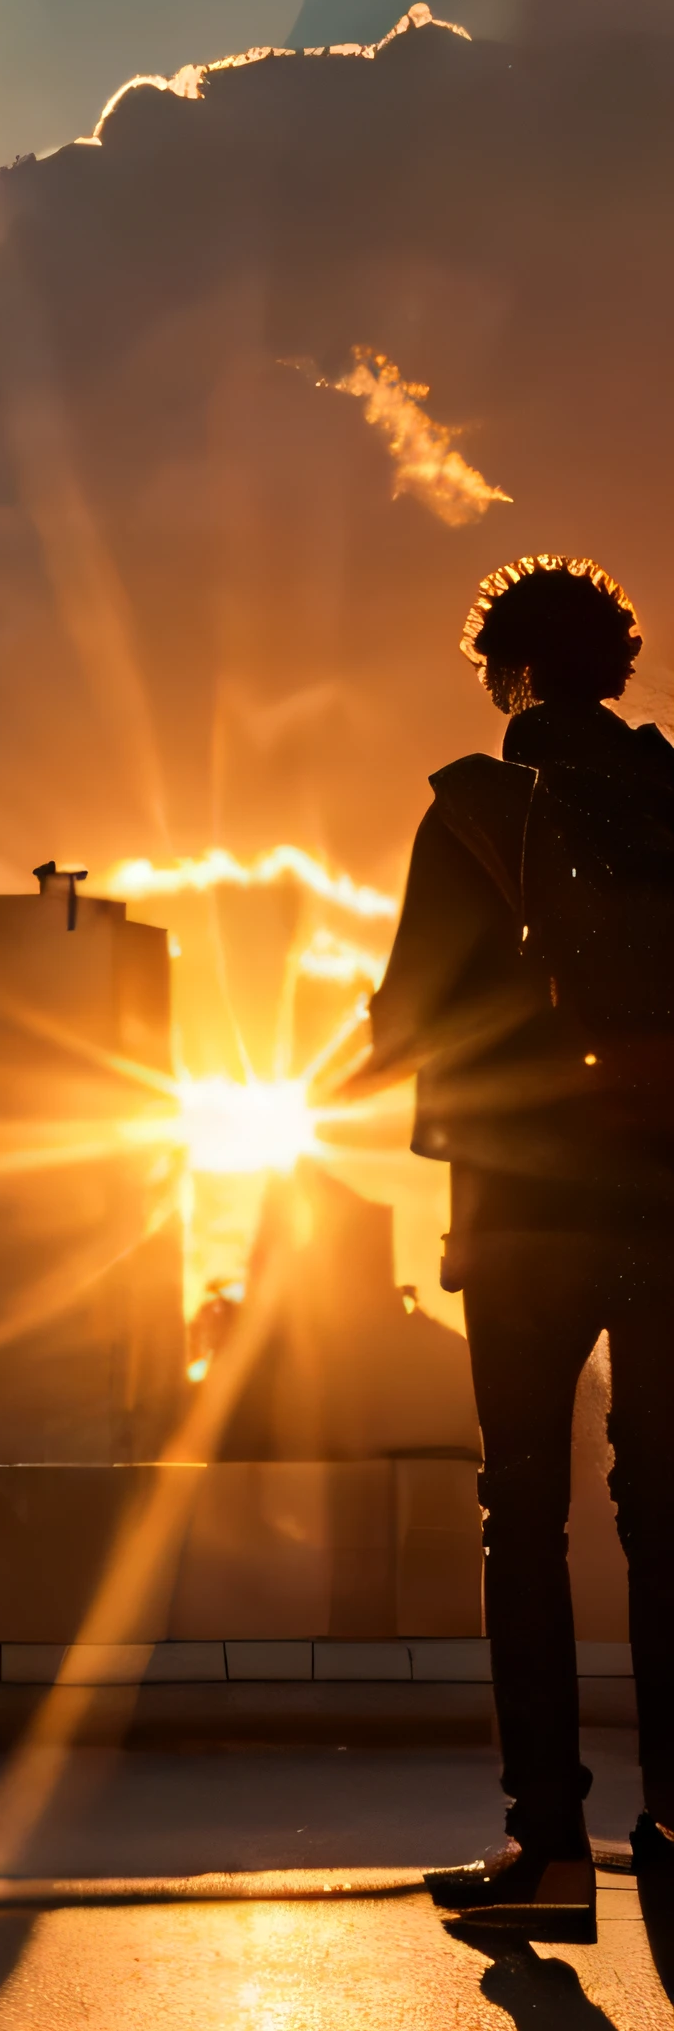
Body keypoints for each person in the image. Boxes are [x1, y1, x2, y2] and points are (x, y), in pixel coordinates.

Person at [365, 553, 674, 1942]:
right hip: (669, 1212)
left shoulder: (479, 809)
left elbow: (406, 1018)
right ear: (615, 671)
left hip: (530, 1212)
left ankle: (548, 1847)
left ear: (514, 673)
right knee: (670, 1524)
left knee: (528, 1520)